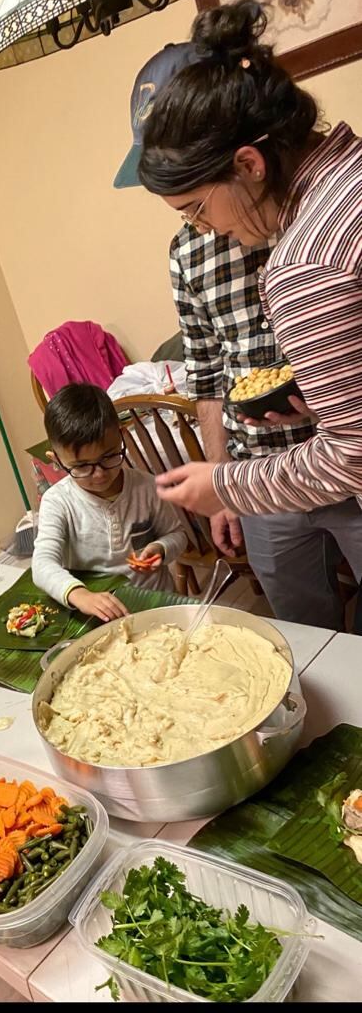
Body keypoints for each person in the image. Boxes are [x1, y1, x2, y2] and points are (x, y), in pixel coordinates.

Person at [114, 40, 362, 630]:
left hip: (316, 467)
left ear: (249, 164)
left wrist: (225, 485)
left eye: (199, 208)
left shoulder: (303, 261)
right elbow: (205, 368)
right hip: (272, 461)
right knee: (307, 628)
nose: (206, 229)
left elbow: (353, 457)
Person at [32, 383, 188, 621]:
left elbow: (177, 535)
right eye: (82, 466)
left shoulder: (147, 486)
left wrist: (161, 548)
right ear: (57, 461)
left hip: (156, 602)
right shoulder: (58, 502)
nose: (99, 474)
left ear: (122, 436)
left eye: (109, 456)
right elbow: (42, 564)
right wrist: (79, 594)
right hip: (102, 614)